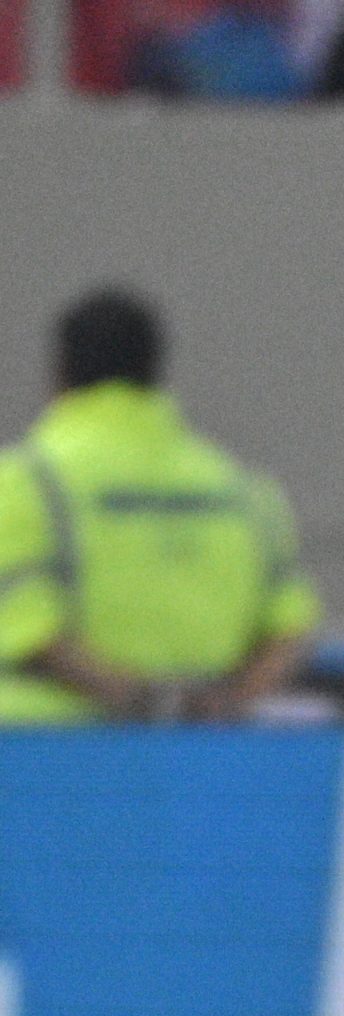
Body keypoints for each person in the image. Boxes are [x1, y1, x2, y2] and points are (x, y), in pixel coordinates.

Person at [0, 289, 321, 724]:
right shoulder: (246, 493)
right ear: (154, 369)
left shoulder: (25, 484)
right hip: (203, 752)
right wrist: (220, 708)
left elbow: (28, 631)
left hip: (43, 748)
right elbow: (290, 628)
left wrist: (144, 702)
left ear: (59, 373)